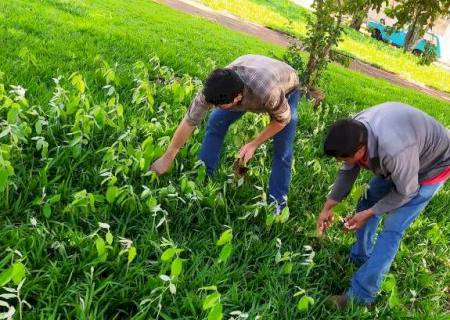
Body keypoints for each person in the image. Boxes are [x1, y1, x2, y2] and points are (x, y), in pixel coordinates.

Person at [317, 102, 450, 306]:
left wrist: (370, 214)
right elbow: (348, 169)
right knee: (368, 197)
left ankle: (361, 296)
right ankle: (361, 255)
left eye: (342, 157)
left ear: (360, 150)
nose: (339, 161)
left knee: (392, 228)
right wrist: (328, 208)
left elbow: (407, 191)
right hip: (405, 155)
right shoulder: (356, 128)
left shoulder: (394, 152)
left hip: (433, 166)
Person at [151, 54, 300, 211]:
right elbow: (189, 121)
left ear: (236, 99)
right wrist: (169, 155)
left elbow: (282, 120)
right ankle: (203, 174)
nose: (214, 107)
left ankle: (277, 204)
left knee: (283, 149)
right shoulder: (215, 90)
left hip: (285, 86)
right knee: (216, 121)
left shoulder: (268, 92)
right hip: (253, 70)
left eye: (219, 105)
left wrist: (253, 144)